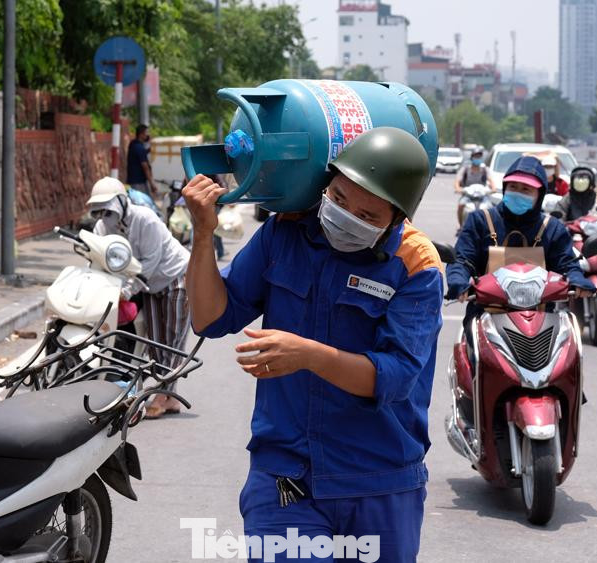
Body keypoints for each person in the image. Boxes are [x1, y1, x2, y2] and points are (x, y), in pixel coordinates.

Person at [183, 127, 443, 563]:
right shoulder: (284, 234)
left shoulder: (416, 265)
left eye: (368, 215)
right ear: (326, 185)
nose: (347, 216)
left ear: (398, 219)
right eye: (339, 199)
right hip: (287, 477)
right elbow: (210, 318)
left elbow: (395, 378)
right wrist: (203, 234)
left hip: (379, 480)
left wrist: (308, 355)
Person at [446, 155, 595, 356]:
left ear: (539, 194)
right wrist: (458, 280)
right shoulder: (480, 221)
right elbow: (463, 259)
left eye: (526, 190)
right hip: (486, 316)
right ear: (504, 188)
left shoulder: (552, 228)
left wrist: (577, 279)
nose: (518, 193)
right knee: (477, 366)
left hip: (542, 320)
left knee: (567, 372)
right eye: (513, 187)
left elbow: (567, 262)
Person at [87, 176, 191, 418]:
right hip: (149, 286)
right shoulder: (103, 227)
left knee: (173, 342)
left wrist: (126, 291)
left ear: (123, 203)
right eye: (99, 210)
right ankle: (168, 396)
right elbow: (97, 256)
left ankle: (165, 396)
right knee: (156, 344)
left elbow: (150, 263)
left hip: (175, 278)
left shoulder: (144, 219)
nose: (104, 215)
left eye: (108, 208)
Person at [454, 149, 490, 227]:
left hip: (482, 196)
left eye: (479, 157)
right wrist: (458, 189)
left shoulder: (485, 170)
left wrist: (492, 190)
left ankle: (489, 227)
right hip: (468, 195)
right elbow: (457, 182)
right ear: (472, 158)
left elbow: (492, 183)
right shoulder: (465, 169)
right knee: (461, 205)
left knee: (490, 209)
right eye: (476, 156)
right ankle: (461, 225)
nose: (477, 158)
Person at [126, 124, 157, 199]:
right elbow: (145, 167)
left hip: (132, 180)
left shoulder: (133, 144)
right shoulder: (140, 148)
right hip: (139, 182)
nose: (148, 135)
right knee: (144, 203)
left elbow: (138, 156)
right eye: (146, 133)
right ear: (141, 134)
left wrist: (147, 150)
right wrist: (152, 184)